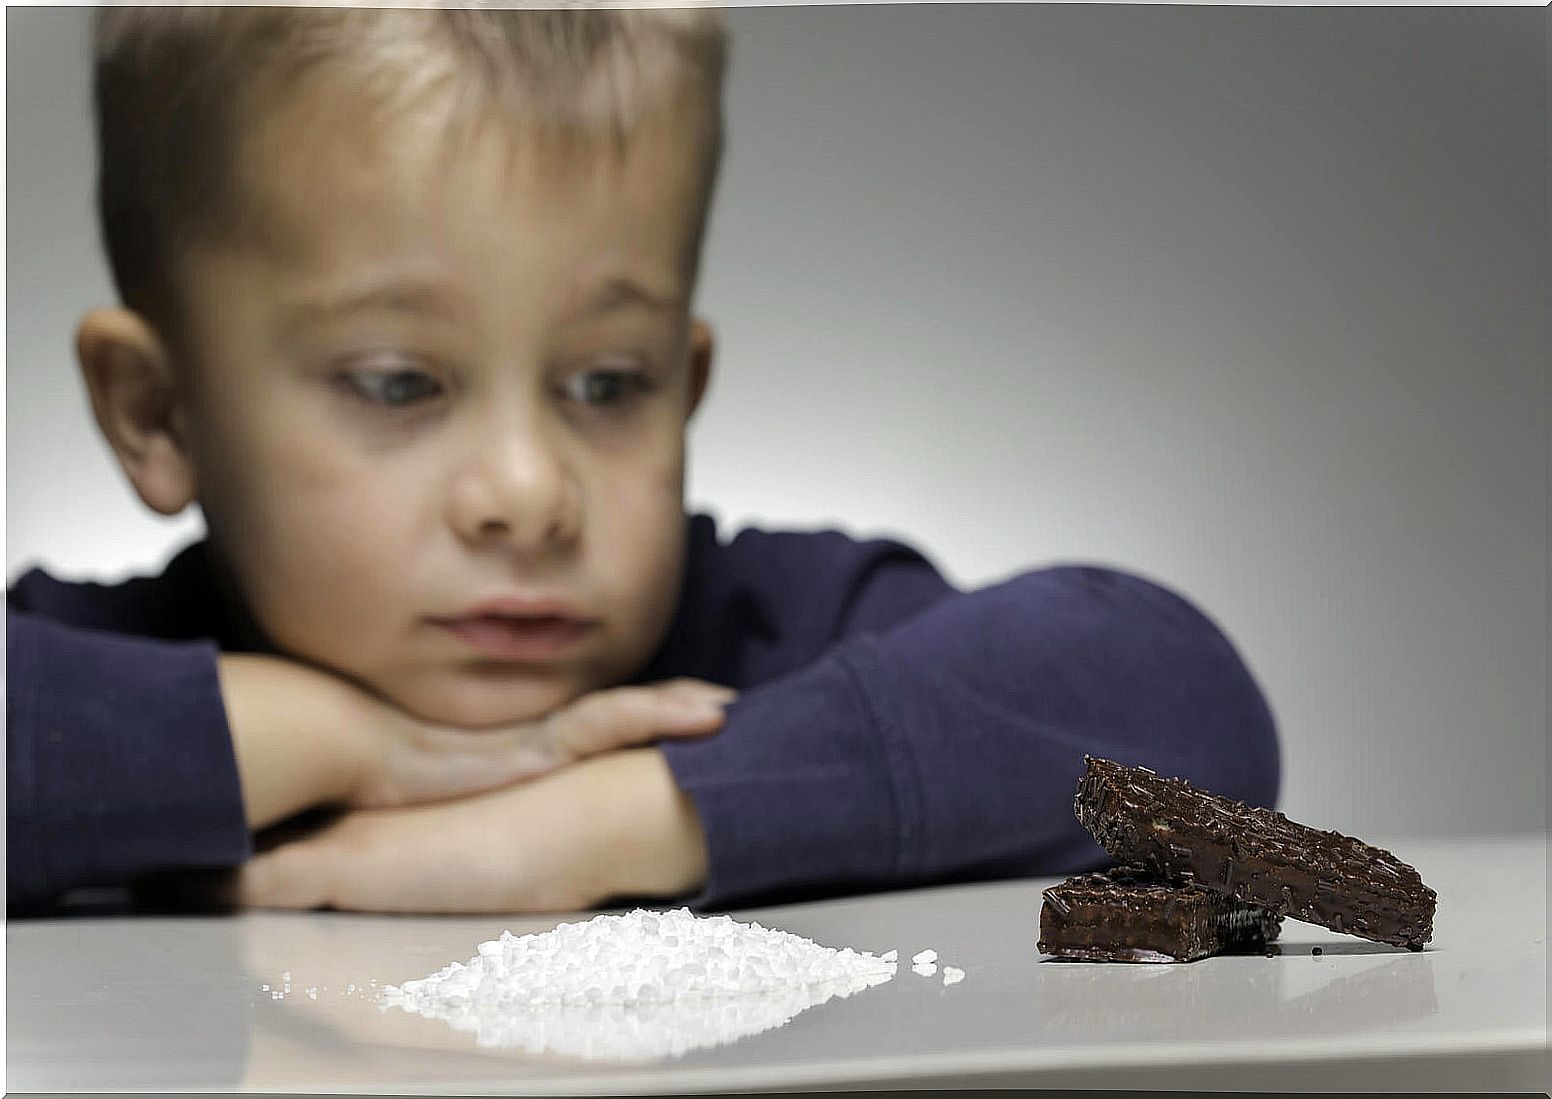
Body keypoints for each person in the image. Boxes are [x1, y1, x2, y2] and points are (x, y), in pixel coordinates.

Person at [7, 5, 1279, 917]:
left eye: (608, 384)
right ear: (156, 412)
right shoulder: (89, 674)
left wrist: (609, 823)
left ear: (687, 386)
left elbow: (1188, 704)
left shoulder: (759, 642)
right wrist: (342, 743)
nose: (527, 494)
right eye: (399, 383)